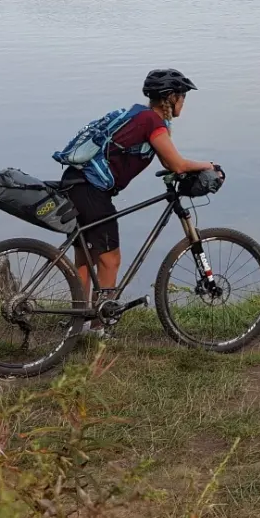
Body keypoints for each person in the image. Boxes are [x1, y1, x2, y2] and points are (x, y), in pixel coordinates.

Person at [65, 68, 216, 334]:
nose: (183, 102)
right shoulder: (152, 123)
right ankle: (99, 327)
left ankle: (77, 323)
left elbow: (168, 163)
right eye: (182, 97)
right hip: (90, 190)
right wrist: (209, 165)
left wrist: (177, 171)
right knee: (109, 258)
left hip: (79, 184)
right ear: (170, 97)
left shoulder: (143, 117)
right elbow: (177, 164)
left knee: (86, 256)